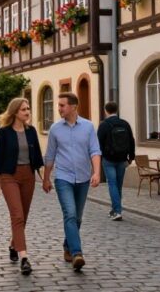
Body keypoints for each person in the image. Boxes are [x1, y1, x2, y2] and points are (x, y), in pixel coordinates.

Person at [42, 93, 100, 272]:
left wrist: (97, 172)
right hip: (63, 178)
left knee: (78, 217)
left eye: (62, 105)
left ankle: (67, 246)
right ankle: (77, 254)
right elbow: (50, 155)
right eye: (58, 105)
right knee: (70, 214)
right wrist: (46, 178)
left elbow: (94, 151)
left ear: (74, 107)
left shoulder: (89, 127)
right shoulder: (55, 129)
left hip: (83, 178)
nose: (58, 108)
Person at [0, 98, 44, 276]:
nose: (27, 112)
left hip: (28, 176)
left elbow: (37, 157)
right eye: (23, 110)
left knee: (23, 216)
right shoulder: (4, 132)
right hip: (9, 176)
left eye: (28, 108)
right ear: (14, 112)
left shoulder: (31, 131)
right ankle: (24, 258)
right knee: (17, 215)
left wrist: (44, 178)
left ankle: (14, 245)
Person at [96, 102, 135, 221]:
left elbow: (98, 143)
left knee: (112, 184)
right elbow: (131, 140)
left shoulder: (104, 125)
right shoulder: (125, 123)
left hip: (108, 159)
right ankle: (115, 209)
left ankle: (117, 211)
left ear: (106, 110)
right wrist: (131, 157)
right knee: (118, 185)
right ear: (117, 110)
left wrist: (99, 157)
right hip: (122, 158)